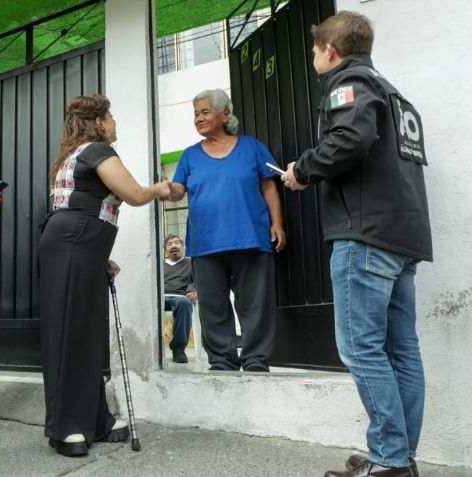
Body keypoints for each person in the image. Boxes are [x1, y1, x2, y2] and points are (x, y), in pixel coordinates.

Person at [281, 12, 430, 477]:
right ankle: (397, 458)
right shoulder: (393, 91)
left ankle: (388, 461)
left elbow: (350, 138)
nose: (312, 59)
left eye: (313, 51)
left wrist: (302, 170)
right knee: (401, 350)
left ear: (331, 50)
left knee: (361, 350)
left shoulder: (349, 82)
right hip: (402, 236)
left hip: (364, 237)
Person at [39, 94, 171, 457]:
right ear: (98, 121)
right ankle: (65, 428)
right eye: (110, 116)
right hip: (73, 245)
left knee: (86, 333)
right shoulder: (97, 150)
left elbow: (83, 208)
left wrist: (99, 257)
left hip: (77, 246)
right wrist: (162, 188)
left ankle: (94, 419)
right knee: (70, 333)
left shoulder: (74, 153)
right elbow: (134, 194)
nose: (114, 122)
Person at [168, 88, 286, 373]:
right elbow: (177, 191)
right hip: (205, 242)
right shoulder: (189, 156)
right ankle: (222, 361)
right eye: (196, 114)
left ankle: (256, 359)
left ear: (225, 114)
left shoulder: (251, 147)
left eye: (205, 112)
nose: (198, 118)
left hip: (251, 236)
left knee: (254, 304)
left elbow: (269, 185)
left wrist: (277, 223)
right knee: (212, 307)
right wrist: (161, 189)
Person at [163, 234, 196, 364]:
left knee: (184, 303)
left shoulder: (191, 262)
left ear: (183, 247)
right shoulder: (159, 264)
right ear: (166, 249)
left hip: (180, 297)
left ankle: (178, 349)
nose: (173, 246)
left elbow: (197, 279)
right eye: (169, 244)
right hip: (160, 297)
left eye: (176, 243)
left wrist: (192, 289)